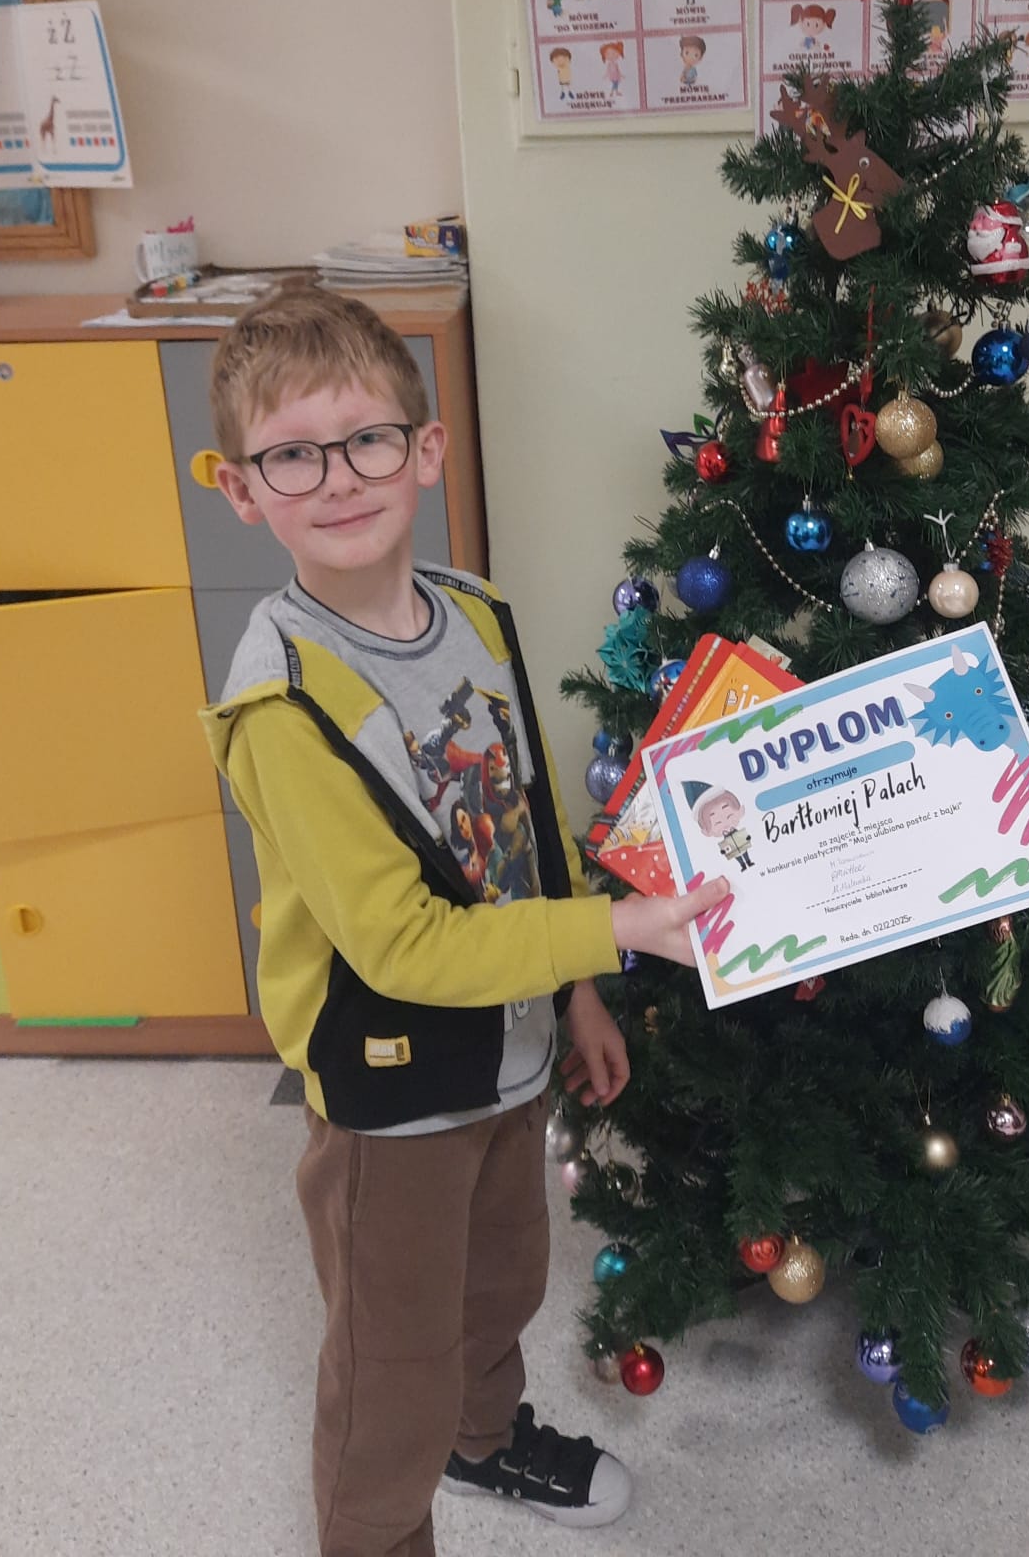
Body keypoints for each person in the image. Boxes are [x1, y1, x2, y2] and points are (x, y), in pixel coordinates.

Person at [203, 285, 722, 1557]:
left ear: (426, 451)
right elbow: (403, 946)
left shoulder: (476, 613)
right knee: (393, 1372)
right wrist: (615, 935)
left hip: (513, 1050)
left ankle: (483, 1442)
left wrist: (579, 992)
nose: (338, 476)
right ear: (241, 489)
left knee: (500, 1285)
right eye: (292, 454)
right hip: (392, 1097)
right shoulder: (283, 706)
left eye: (368, 438)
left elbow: (531, 820)